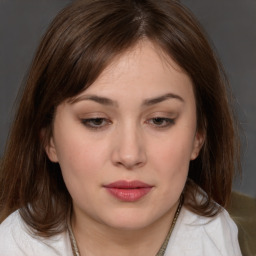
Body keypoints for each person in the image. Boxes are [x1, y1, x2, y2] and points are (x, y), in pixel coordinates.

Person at [0, 0, 242, 255]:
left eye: (160, 120)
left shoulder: (219, 240)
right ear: (49, 139)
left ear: (198, 136)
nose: (129, 155)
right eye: (96, 120)